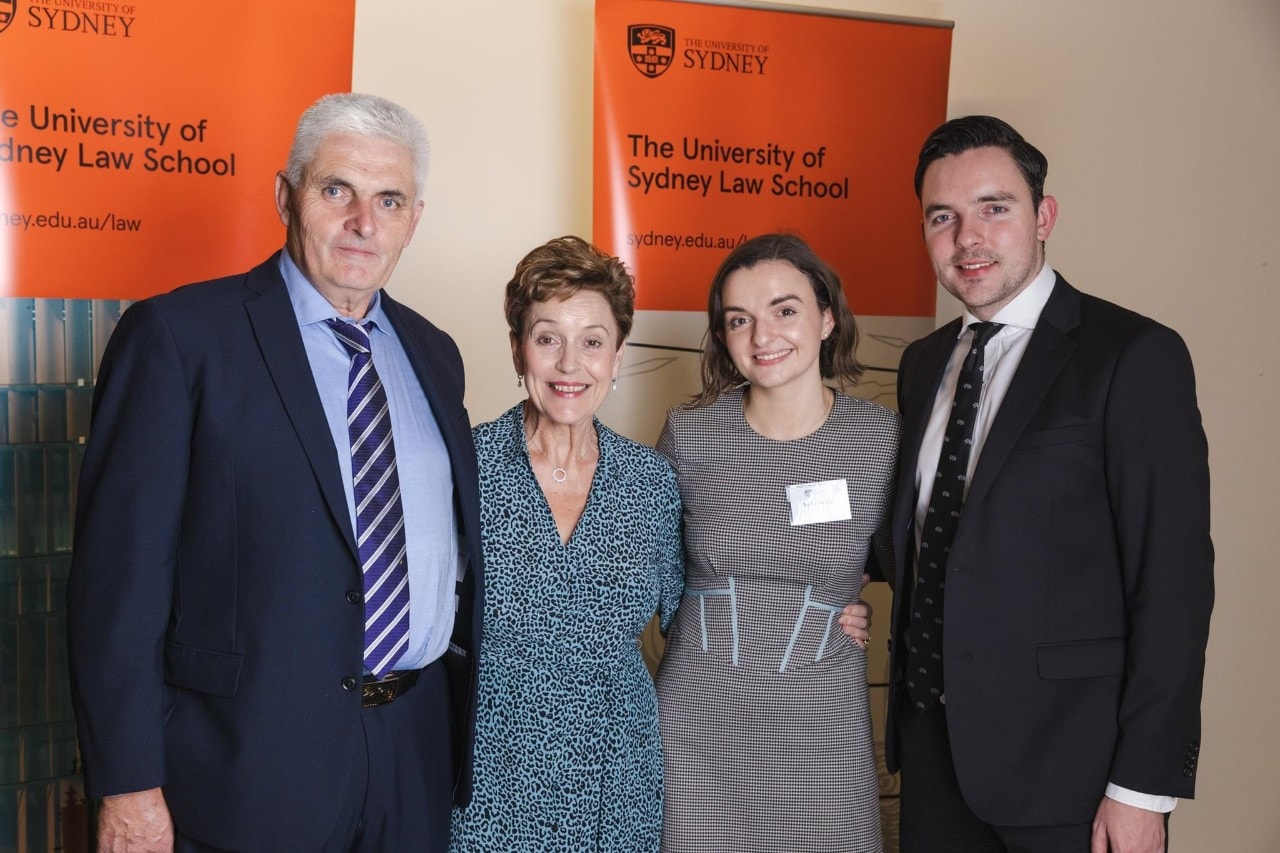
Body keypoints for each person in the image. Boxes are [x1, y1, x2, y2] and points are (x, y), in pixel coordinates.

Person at [65, 93, 484, 852]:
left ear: (413, 218)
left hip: (411, 750)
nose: (364, 222)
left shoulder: (434, 352)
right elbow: (117, 586)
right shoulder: (179, 338)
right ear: (286, 195)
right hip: (245, 764)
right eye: (337, 190)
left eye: (388, 199)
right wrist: (128, 784)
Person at [885, 115, 1214, 853]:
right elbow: (939, 538)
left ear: (1045, 215)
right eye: (944, 217)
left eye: (994, 208)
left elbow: (1174, 584)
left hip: (1073, 773)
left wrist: (1141, 789)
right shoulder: (921, 364)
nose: (968, 237)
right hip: (935, 758)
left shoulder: (1133, 356)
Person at [655, 233, 896, 852]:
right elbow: (647, 571)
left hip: (823, 713)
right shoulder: (690, 433)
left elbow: (924, 563)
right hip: (698, 717)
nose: (763, 337)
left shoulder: (881, 437)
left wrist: (860, 603)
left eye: (785, 310)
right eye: (740, 320)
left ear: (827, 318)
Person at [448, 236, 683, 851]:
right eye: (548, 337)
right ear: (518, 350)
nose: (570, 364)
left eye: (593, 341)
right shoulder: (464, 466)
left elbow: (700, 614)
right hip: (491, 775)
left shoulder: (650, 482)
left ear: (618, 356)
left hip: (618, 778)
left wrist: (819, 607)